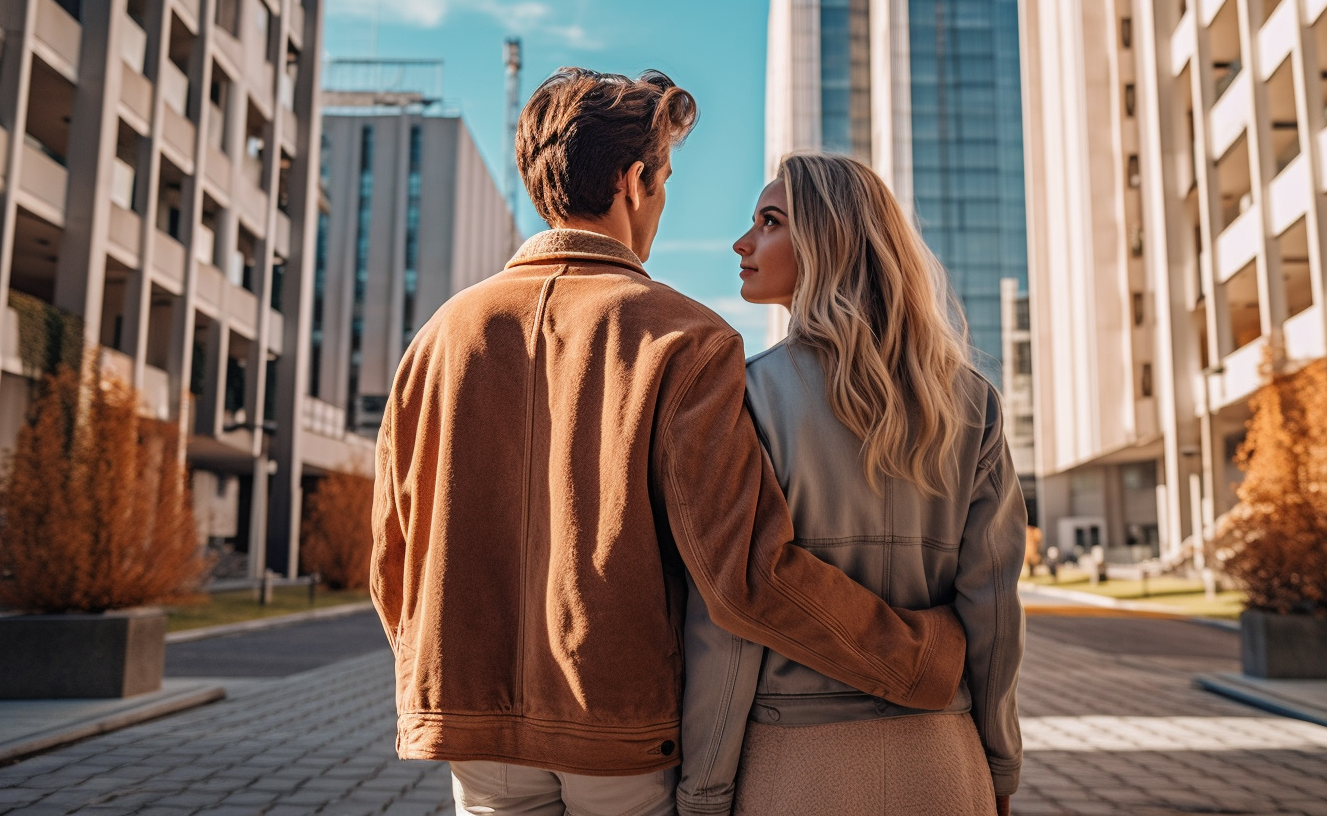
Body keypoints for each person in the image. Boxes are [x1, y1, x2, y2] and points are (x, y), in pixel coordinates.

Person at [370, 70, 969, 816]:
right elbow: (745, 575)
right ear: (632, 181)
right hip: (616, 727)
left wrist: (447, 683)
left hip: (471, 732)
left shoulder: (438, 338)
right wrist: (921, 659)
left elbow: (393, 558)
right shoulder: (684, 337)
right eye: (665, 177)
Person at [678, 152, 1027, 816]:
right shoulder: (973, 401)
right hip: (945, 762)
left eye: (770, 222)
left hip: (793, 766)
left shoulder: (745, 397)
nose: (742, 242)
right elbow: (995, 610)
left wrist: (705, 789)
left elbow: (728, 620)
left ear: (827, 241)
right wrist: (1000, 762)